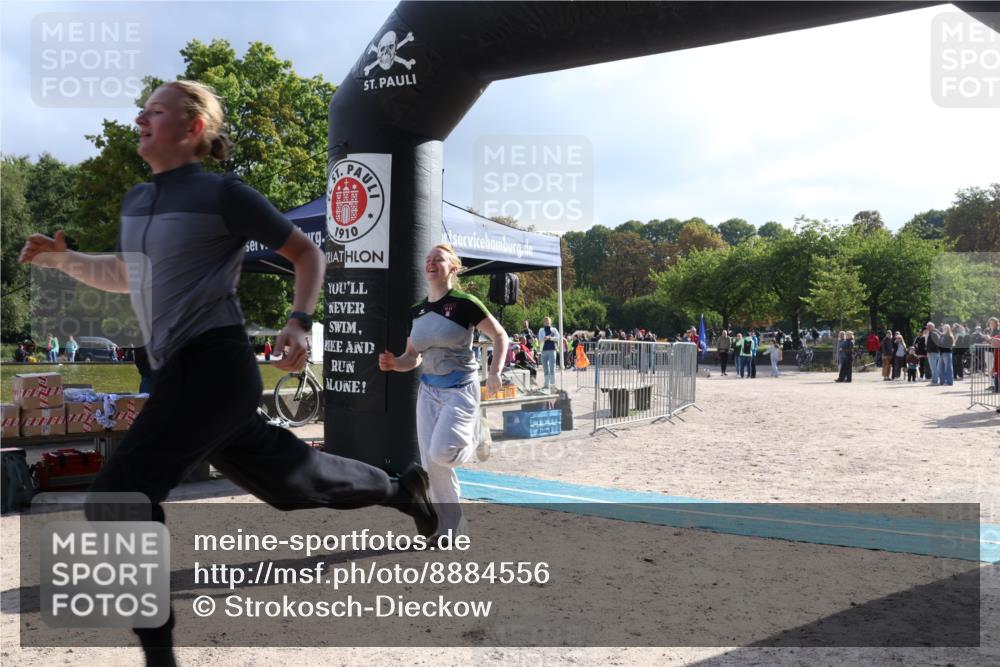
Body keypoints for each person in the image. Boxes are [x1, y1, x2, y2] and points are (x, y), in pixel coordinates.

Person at [20, 79, 437, 666]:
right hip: (182, 378)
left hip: (213, 365)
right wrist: (64, 260)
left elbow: (307, 253)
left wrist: (298, 320)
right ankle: (403, 488)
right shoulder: (137, 201)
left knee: (118, 495)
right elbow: (125, 275)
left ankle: (159, 659)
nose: (142, 116)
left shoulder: (223, 195)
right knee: (294, 486)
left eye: (156, 110)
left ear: (192, 129)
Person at [380, 243, 508, 537]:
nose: (431, 263)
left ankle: (476, 432)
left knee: (442, 451)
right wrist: (393, 363)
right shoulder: (418, 310)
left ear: (454, 267)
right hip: (428, 391)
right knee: (432, 464)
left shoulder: (465, 303)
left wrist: (494, 372)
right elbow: (412, 357)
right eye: (427, 259)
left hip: (460, 388)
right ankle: (451, 526)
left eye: (438, 259)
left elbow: (500, 336)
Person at [537, 316, 560, 390]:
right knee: (545, 368)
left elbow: (558, 337)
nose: (546, 323)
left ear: (550, 322)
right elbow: (540, 339)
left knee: (552, 367)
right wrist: (544, 338)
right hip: (543, 350)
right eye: (545, 321)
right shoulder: (541, 330)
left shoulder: (554, 329)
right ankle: (546, 384)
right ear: (543, 322)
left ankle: (553, 385)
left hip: (552, 350)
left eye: (548, 322)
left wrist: (550, 338)